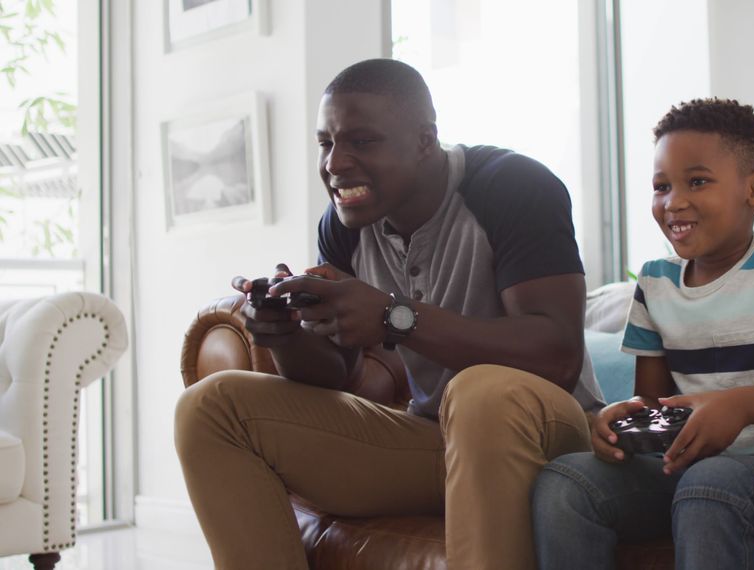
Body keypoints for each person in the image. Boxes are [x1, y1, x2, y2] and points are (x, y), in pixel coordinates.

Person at [174, 58, 605, 570]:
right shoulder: (343, 227)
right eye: (326, 143)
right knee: (210, 408)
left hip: (551, 435)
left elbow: (556, 355)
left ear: (426, 141)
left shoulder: (512, 186)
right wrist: (286, 335)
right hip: (437, 441)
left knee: (480, 389)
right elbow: (340, 377)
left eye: (361, 141)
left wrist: (395, 317)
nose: (335, 163)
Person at [531, 98, 754, 569]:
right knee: (567, 483)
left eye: (697, 182)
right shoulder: (655, 282)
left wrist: (741, 404)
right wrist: (619, 425)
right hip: (690, 472)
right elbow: (654, 411)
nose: (674, 201)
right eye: (661, 186)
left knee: (710, 484)